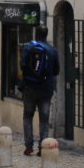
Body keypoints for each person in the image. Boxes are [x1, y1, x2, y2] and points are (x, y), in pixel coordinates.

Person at [20, 25, 60, 156]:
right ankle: (43, 147)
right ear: (46, 34)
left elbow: (22, 65)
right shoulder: (52, 50)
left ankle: (28, 146)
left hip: (29, 88)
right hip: (46, 90)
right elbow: (56, 71)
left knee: (27, 116)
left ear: (35, 34)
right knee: (44, 119)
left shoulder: (28, 47)